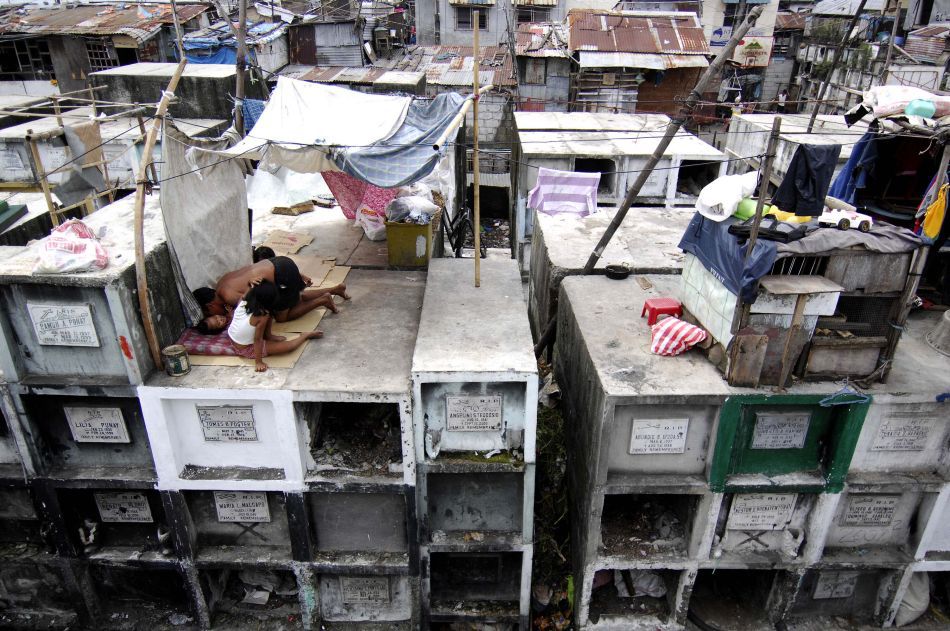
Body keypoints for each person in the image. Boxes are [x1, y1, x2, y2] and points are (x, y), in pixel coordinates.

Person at [193, 256, 350, 332]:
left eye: (210, 313)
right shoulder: (222, 282)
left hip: (281, 274)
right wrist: (298, 275)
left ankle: (323, 300)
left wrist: (232, 316)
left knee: (282, 317)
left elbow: (257, 306)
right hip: (281, 262)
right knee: (293, 299)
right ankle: (336, 288)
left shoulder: (228, 296)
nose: (213, 315)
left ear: (210, 305)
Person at [227, 280, 324, 372]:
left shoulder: (245, 299)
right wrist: (258, 362)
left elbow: (251, 287)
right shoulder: (261, 316)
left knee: (268, 312)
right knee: (289, 347)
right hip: (245, 348)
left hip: (232, 336)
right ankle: (305, 336)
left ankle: (269, 336)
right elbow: (258, 340)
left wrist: (251, 283)